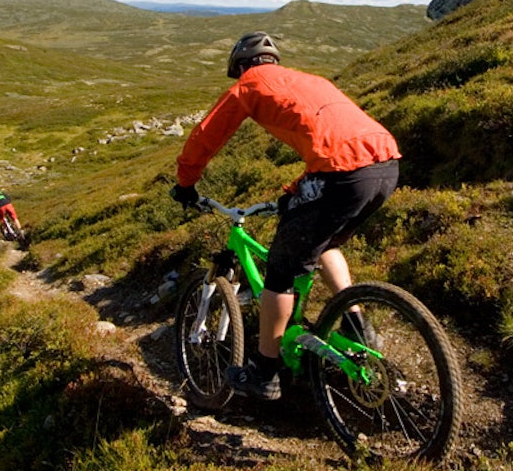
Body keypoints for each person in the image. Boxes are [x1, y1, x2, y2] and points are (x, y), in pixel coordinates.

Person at [171, 31, 401, 400]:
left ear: (242, 66)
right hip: (386, 164)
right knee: (322, 241)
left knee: (280, 268)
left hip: (340, 175)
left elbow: (206, 136)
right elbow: (334, 139)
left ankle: (264, 371)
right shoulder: (312, 80)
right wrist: (296, 191)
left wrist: (185, 183)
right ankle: (357, 324)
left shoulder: (248, 85)